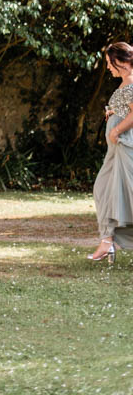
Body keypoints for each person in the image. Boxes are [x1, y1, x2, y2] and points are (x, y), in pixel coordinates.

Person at [89, 41, 133, 262]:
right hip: (116, 149)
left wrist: (116, 130)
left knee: (127, 195)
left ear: (121, 62)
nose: (107, 67)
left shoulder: (132, 82)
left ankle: (108, 241)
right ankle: (108, 240)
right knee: (104, 190)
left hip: (126, 147)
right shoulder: (125, 82)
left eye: (109, 62)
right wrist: (114, 113)